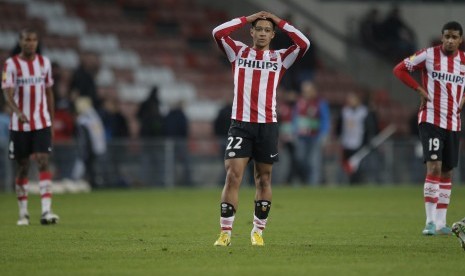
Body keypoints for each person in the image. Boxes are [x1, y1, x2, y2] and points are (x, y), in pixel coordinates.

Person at [212, 11, 310, 246]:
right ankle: (225, 233)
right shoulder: (237, 52)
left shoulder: (280, 58)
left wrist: (279, 21)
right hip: (240, 124)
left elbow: (304, 43)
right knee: (233, 175)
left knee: (263, 179)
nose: (263, 33)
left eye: (268, 30)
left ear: (273, 34)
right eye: (259, 29)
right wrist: (248, 17)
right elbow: (217, 32)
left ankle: (258, 231)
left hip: (267, 125)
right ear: (252, 33)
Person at [393, 21, 465, 235]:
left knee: (447, 170)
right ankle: (429, 222)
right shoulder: (428, 55)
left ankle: (442, 223)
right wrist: (419, 90)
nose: (450, 40)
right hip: (431, 119)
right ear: (442, 38)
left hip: (453, 122)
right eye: (447, 36)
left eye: (454, 37)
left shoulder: (463, 61)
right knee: (434, 166)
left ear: (460, 40)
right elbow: (399, 70)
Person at [1, 29, 59, 226]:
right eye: (27, 40)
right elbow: (7, 93)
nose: (30, 43)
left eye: (34, 40)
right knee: (23, 166)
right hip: (19, 124)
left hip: (41, 121)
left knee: (43, 160)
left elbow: (49, 92)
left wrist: (51, 120)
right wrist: (17, 112)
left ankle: (46, 211)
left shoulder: (45, 63)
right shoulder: (10, 64)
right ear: (20, 41)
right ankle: (23, 213)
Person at [294, 81, 330, 185]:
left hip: (315, 136)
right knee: (300, 159)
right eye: (304, 91)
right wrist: (294, 131)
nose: (306, 93)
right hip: (301, 137)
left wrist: (324, 134)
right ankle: (304, 180)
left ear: (314, 91)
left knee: (314, 161)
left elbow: (325, 119)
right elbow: (295, 117)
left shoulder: (320, 103)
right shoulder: (300, 102)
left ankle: (313, 184)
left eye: (308, 91)